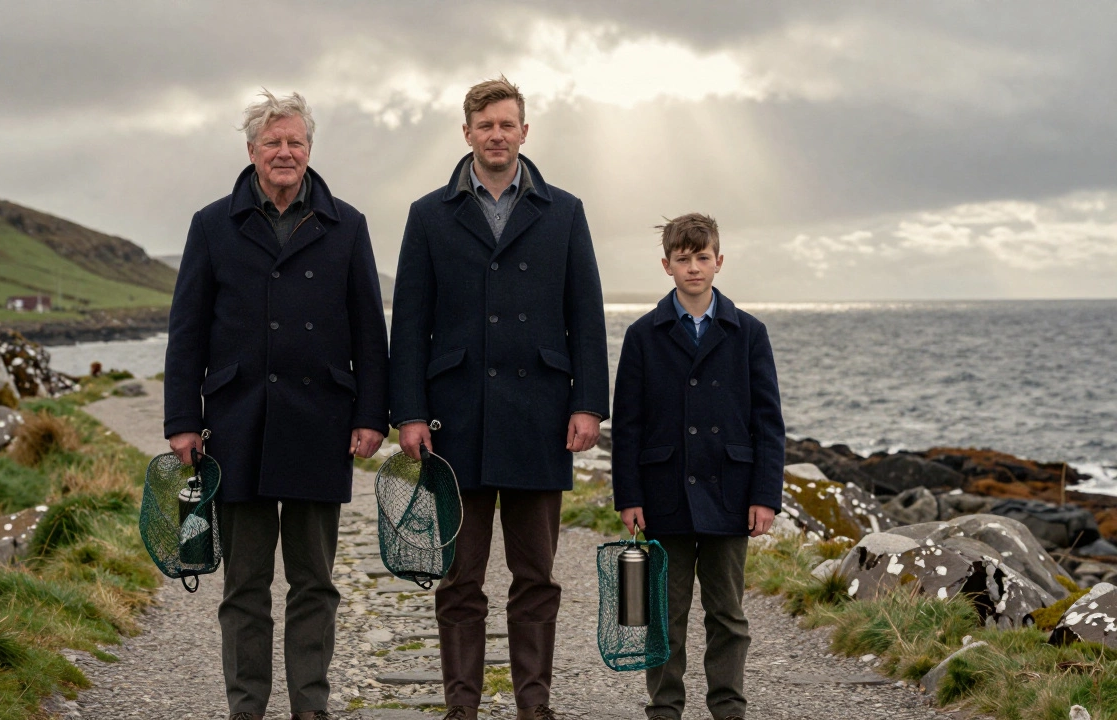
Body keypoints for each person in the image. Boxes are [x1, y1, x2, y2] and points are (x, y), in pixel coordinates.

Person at [163, 89, 389, 720]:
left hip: (321, 423)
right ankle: (247, 708)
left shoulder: (348, 224)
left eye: (295, 142)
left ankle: (310, 707)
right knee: (245, 585)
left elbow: (370, 331)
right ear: (251, 152)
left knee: (315, 582)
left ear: (310, 149)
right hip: (238, 424)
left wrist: (372, 414)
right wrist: (183, 420)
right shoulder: (212, 225)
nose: (285, 152)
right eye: (273, 142)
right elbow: (187, 330)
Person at [389, 76, 610, 720]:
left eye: (506, 124)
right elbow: (410, 323)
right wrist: (407, 411)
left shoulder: (564, 211)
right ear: (467, 133)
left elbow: (586, 314)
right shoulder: (429, 214)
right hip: (452, 421)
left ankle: (532, 707)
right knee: (459, 579)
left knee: (536, 577)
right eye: (484, 126)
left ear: (523, 132)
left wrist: (588, 404)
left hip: (541, 417)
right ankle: (462, 707)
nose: (496, 135)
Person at [609, 213, 784, 720]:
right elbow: (629, 426)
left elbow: (768, 422)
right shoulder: (643, 335)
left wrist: (765, 496)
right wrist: (630, 497)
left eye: (702, 257)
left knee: (728, 614)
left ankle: (728, 708)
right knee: (664, 614)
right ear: (666, 265)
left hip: (732, 493)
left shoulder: (749, 332)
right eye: (682, 259)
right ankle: (664, 708)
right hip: (664, 495)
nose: (693, 268)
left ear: (719, 261)